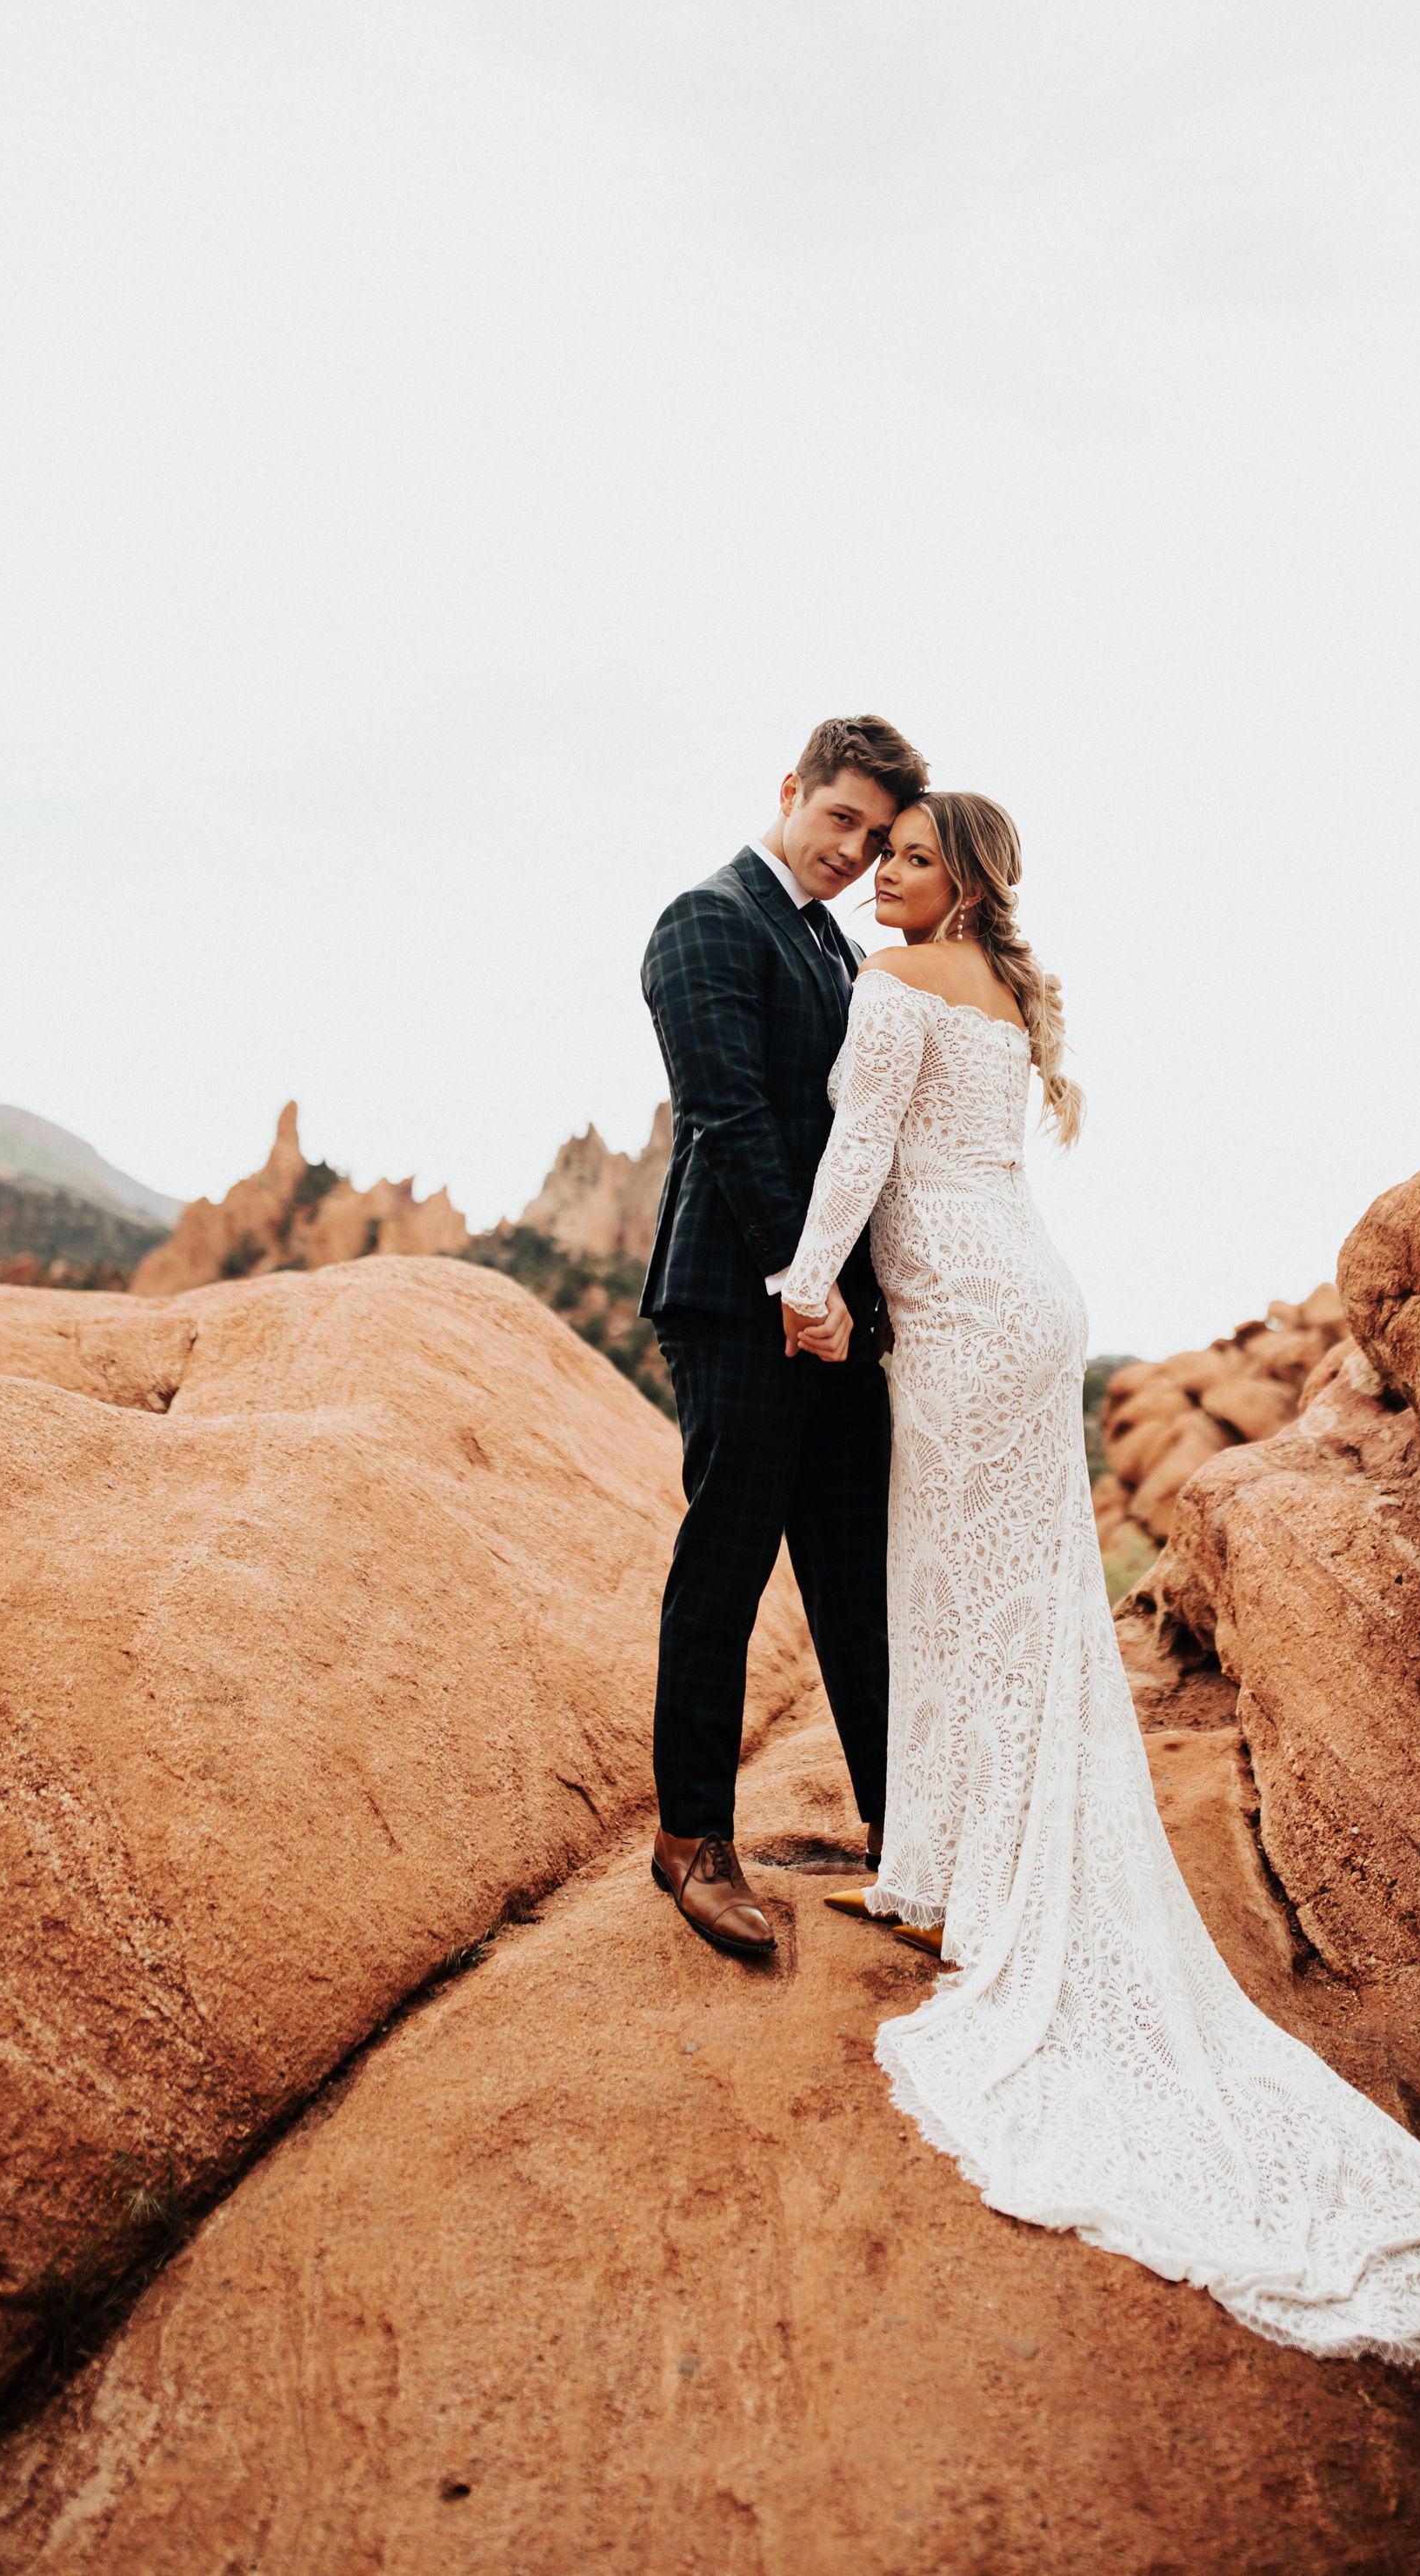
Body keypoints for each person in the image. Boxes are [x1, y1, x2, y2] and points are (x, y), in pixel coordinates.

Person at [775, 791, 1420, 2360]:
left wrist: (805, 1283)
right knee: (1014, 1611)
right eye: (882, 853)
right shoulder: (992, 987)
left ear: (964, 886)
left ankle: (964, 1887)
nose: (884, 875)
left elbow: (856, 1151)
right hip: (1025, 1303)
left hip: (965, 1322)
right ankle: (955, 1877)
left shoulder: (897, 981)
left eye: (912, 858)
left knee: (957, 1602)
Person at [637, 716, 930, 1957]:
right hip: (737, 1296)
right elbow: (729, 1116)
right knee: (729, 1562)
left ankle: (910, 1834)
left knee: (859, 1573)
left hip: (836, 1311)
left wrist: (858, 1299)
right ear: (792, 789)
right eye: (840, 819)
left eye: (878, 836)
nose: (855, 852)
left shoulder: (834, 943)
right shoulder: (707, 919)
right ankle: (692, 1837)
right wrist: (798, 1285)